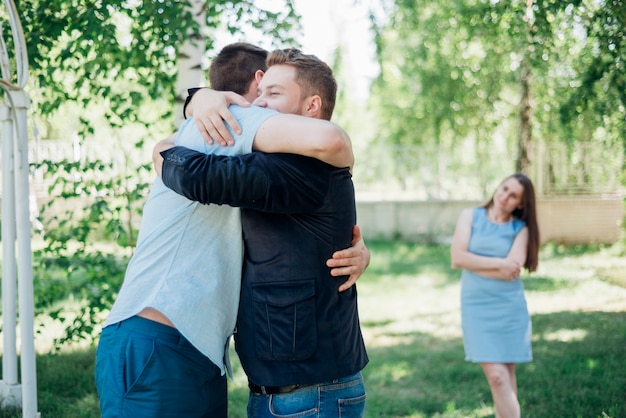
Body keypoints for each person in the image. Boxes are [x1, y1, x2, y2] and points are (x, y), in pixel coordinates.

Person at [95, 43, 369, 418]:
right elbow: (329, 144)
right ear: (255, 84)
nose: (261, 105)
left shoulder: (246, 140)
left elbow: (323, 160)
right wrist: (180, 128)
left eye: (275, 94)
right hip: (160, 337)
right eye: (264, 93)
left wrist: (169, 139)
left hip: (198, 348)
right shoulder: (234, 125)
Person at [450, 173, 540, 418]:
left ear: (520, 204)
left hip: (509, 308)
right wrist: (498, 265)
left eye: (513, 196)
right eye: (504, 189)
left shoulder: (521, 229)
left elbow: (511, 270)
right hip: (477, 307)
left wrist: (475, 263)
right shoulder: (470, 216)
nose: (505, 197)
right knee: (498, 377)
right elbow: (457, 258)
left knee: (506, 378)